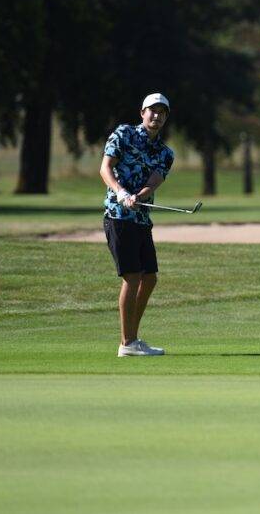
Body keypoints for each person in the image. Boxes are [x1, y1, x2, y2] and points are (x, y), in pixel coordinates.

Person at [99, 93, 176, 357]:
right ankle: (127, 343)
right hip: (118, 217)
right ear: (142, 112)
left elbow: (155, 181)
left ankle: (132, 337)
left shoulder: (165, 153)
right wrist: (121, 192)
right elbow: (105, 168)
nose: (157, 116)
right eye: (152, 111)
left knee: (150, 278)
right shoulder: (124, 134)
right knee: (132, 277)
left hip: (141, 218)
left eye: (162, 112)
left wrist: (140, 196)